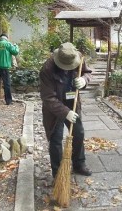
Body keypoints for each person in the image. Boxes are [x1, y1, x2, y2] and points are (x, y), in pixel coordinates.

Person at [39, 42, 93, 177]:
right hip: (54, 108)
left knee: (78, 132)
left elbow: (87, 72)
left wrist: (84, 80)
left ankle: (79, 163)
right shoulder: (47, 69)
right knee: (56, 138)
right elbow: (48, 97)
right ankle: (58, 173)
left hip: (72, 101)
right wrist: (65, 112)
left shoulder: (78, 57)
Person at [0, 33, 19, 105]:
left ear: (0, 38)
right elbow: (15, 52)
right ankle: (8, 101)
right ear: (6, 38)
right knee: (7, 84)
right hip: (4, 67)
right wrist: (16, 46)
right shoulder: (8, 44)